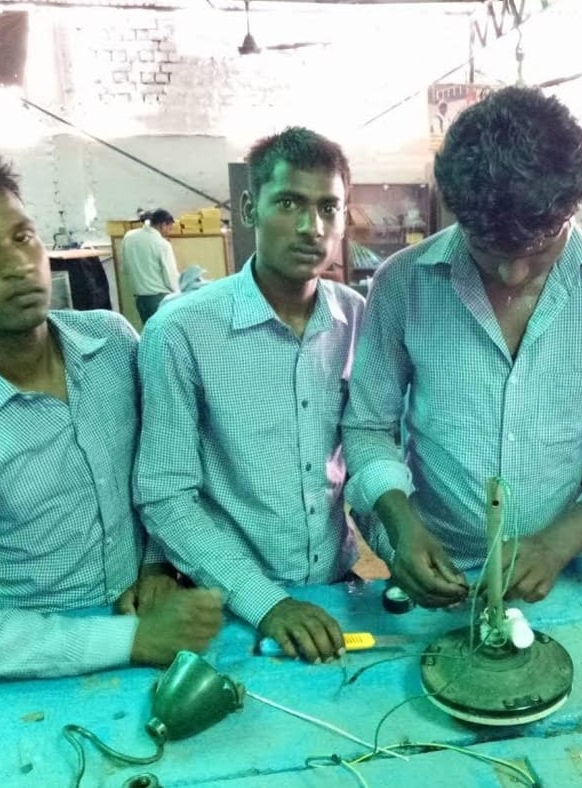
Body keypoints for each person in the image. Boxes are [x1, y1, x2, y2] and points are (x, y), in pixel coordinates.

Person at [0, 145, 223, 678]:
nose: (17, 266)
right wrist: (131, 639)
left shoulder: (112, 345)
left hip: (156, 622)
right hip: (37, 669)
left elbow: (159, 474)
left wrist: (155, 564)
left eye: (22, 237)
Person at [341, 87, 582, 608]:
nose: (511, 273)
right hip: (434, 563)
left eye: (537, 250)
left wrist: (557, 544)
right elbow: (367, 427)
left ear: (574, 208)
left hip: (562, 574)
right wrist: (400, 524)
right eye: (486, 248)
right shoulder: (403, 282)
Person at [134, 127, 365, 663]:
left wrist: (401, 548)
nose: (311, 228)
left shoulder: (357, 318)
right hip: (230, 605)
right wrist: (268, 604)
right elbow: (166, 494)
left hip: (336, 591)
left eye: (328, 208)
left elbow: (363, 451)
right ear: (248, 208)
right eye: (289, 203)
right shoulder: (181, 331)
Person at [120, 208, 179, 324]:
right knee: (165, 332)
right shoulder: (162, 244)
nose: (169, 232)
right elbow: (170, 276)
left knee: (149, 331)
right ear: (162, 225)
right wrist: (179, 294)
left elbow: (125, 268)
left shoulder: (128, 237)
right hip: (160, 299)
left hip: (140, 299)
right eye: (169, 228)